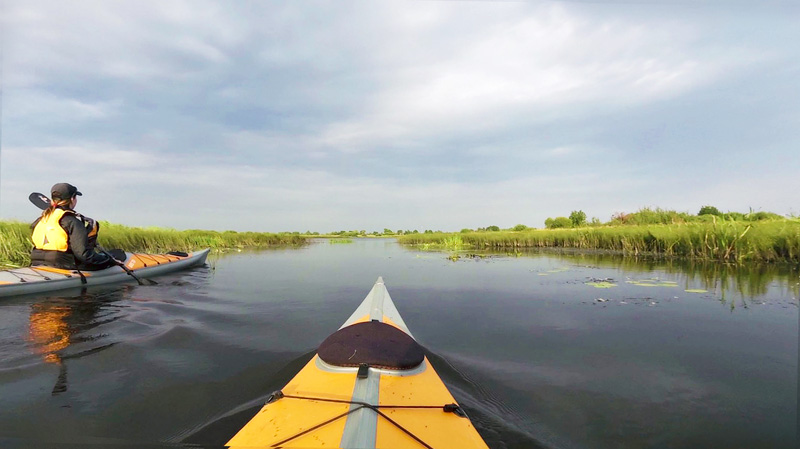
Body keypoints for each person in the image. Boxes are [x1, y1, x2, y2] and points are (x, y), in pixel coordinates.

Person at [30, 183, 119, 271]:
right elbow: (84, 255)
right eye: (75, 197)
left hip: (36, 261)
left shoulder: (41, 219)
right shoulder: (72, 222)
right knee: (118, 255)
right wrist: (110, 261)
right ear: (72, 199)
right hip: (63, 264)